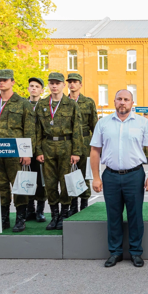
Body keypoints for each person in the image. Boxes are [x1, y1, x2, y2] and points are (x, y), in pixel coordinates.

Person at [90, 89, 148, 268]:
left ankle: (136, 252)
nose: (122, 102)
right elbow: (95, 151)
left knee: (135, 215)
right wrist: (96, 177)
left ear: (131, 103)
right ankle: (115, 252)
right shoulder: (103, 123)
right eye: (119, 99)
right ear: (114, 101)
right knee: (113, 215)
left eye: (126, 99)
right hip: (110, 175)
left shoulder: (143, 123)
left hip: (135, 175)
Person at [0, 69, 35, 233]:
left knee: (19, 186)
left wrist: (26, 152)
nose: (1, 82)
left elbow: (29, 129)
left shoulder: (23, 103)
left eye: (5, 80)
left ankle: (20, 219)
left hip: (15, 153)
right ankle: (3, 220)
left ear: (12, 82)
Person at [34, 72, 83, 231]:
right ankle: (54, 215)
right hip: (47, 146)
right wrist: (38, 150)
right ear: (48, 85)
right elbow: (37, 130)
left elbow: (77, 129)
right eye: (51, 83)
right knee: (50, 183)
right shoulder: (42, 104)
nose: (54, 86)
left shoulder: (71, 104)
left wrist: (76, 151)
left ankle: (64, 214)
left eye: (57, 83)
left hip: (65, 146)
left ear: (63, 85)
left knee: (65, 182)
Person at [67, 73, 98, 215]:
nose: (72, 84)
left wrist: (96, 146)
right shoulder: (63, 102)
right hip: (68, 143)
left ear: (80, 84)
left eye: (75, 82)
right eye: (70, 82)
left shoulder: (88, 102)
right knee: (70, 173)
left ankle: (84, 203)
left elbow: (94, 125)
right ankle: (72, 204)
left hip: (85, 142)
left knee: (84, 174)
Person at [25, 77, 48, 222]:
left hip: (41, 149)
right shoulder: (22, 104)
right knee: (27, 179)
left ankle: (40, 210)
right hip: (25, 148)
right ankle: (29, 209)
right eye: (31, 86)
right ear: (28, 88)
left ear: (41, 90)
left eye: (37, 86)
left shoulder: (45, 105)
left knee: (41, 180)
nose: (33, 88)